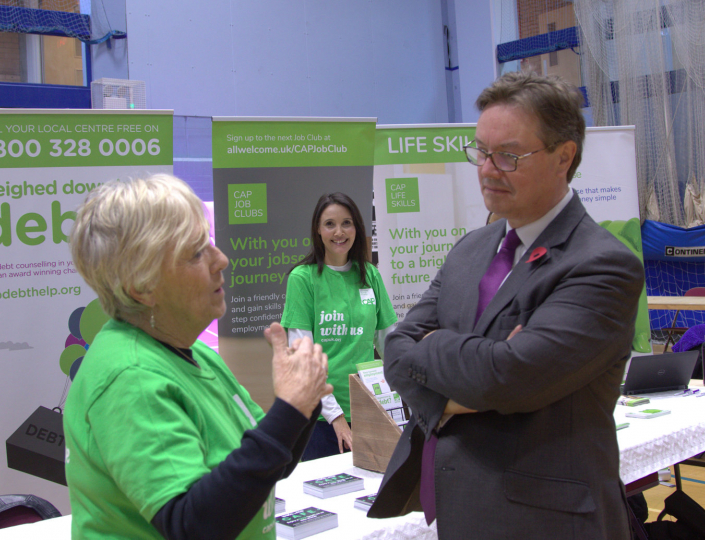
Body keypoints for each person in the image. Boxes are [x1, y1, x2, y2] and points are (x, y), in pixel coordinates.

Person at [368, 72, 644, 539]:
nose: (488, 169)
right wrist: (475, 372)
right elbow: (395, 348)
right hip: (461, 512)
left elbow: (509, 378)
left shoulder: (602, 264)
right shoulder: (470, 249)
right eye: (481, 151)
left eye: (509, 155)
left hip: (548, 523)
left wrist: (437, 350)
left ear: (564, 157)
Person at [64, 174, 332, 540]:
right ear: (141, 287)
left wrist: (304, 398)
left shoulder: (193, 353)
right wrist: (289, 409)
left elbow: (268, 465)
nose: (220, 259)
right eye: (195, 253)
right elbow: (192, 525)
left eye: (209, 242)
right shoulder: (133, 377)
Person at [281, 193, 397, 460]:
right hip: (320, 420)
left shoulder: (370, 274)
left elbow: (389, 342)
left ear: (357, 227)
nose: (339, 232)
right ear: (318, 231)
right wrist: (337, 418)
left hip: (369, 409)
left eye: (347, 223)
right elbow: (303, 360)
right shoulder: (303, 279)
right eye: (330, 224)